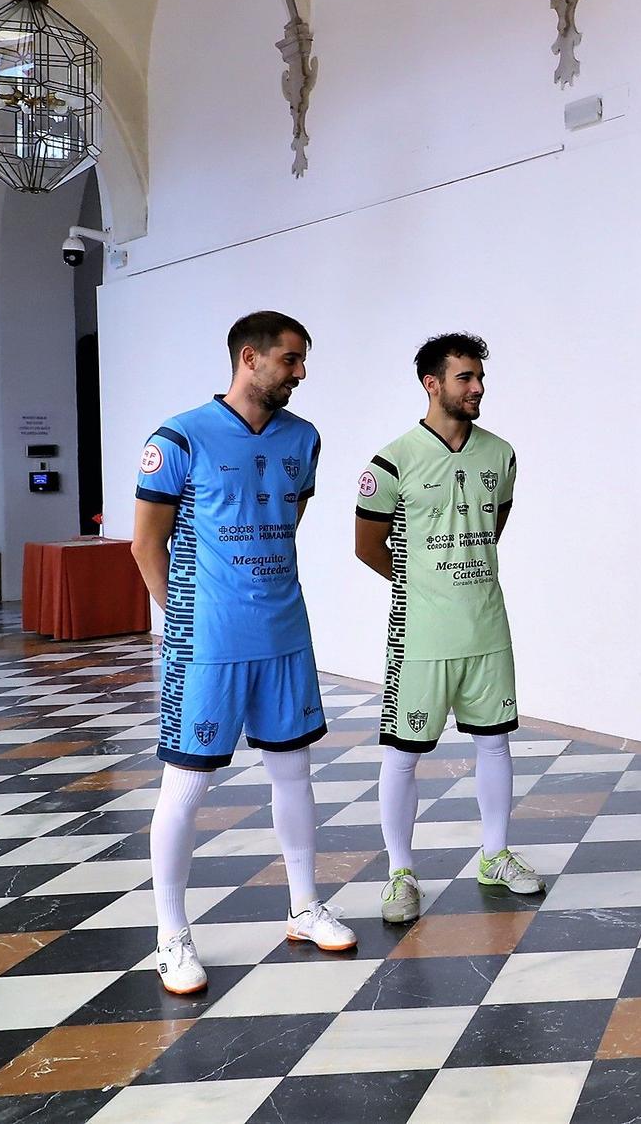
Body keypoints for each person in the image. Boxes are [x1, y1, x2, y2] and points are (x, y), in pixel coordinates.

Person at [132, 311, 354, 996]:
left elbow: (286, 519)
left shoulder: (303, 438)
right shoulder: (178, 438)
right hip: (209, 643)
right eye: (291, 360)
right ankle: (171, 935)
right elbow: (147, 545)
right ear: (249, 358)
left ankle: (302, 906)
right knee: (188, 784)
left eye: (303, 360)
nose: (301, 373)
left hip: (284, 633)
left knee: (294, 774)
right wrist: (185, 620)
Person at [356, 333, 540, 923]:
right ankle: (400, 873)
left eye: (479, 377)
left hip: (487, 626)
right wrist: (422, 588)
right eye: (464, 377)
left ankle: (494, 854)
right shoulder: (392, 461)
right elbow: (367, 546)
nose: (477, 387)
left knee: (495, 743)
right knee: (404, 754)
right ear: (431, 384)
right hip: (422, 636)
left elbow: (495, 526)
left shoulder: (501, 454)